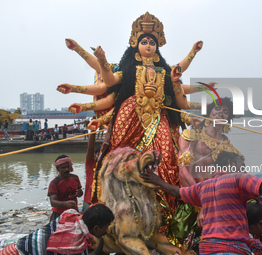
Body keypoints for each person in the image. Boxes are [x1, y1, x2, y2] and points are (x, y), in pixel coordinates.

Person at [57, 12, 204, 217]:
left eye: (152, 42)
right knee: (120, 158)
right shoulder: (127, 70)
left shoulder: (164, 71)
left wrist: (193, 55)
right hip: (129, 115)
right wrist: (80, 80)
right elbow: (107, 83)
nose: (149, 45)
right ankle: (120, 205)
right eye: (144, 41)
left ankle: (165, 206)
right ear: (136, 45)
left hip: (158, 117)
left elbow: (180, 75)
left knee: (167, 157)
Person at [141, 137, 262, 254]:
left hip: (207, 248)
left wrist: (157, 180)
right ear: (232, 163)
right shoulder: (239, 179)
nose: (244, 168)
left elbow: (178, 193)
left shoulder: (204, 186)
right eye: (242, 163)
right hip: (231, 249)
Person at [0, 204, 114, 255]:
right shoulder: (77, 247)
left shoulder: (70, 215)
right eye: (106, 227)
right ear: (96, 228)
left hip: (12, 248)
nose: (107, 230)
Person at [179, 97, 241, 187]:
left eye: (225, 112)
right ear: (209, 113)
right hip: (191, 192)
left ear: (228, 120)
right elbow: (182, 169)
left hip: (216, 195)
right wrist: (197, 193)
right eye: (217, 108)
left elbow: (238, 178)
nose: (220, 112)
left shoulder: (230, 150)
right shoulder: (190, 136)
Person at [48, 154, 83, 221]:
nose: (67, 169)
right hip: (59, 214)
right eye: (63, 168)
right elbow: (52, 202)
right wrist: (65, 204)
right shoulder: (54, 183)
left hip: (73, 211)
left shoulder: (75, 178)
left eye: (68, 167)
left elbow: (79, 194)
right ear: (58, 169)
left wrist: (80, 193)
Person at [83, 131, 99, 212]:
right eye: (97, 154)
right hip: (89, 202)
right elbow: (90, 149)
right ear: (94, 156)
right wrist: (93, 131)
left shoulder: (108, 166)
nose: (99, 156)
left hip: (102, 203)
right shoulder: (91, 164)